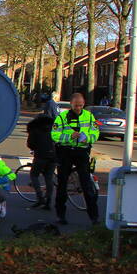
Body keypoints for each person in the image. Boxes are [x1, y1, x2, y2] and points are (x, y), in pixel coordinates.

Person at [51, 92, 100, 225]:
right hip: (65, 152)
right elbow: (55, 135)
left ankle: (94, 217)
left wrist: (87, 138)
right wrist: (69, 137)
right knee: (62, 185)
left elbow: (95, 133)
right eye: (76, 105)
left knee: (86, 185)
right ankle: (60, 215)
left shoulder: (89, 116)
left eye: (81, 105)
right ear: (71, 104)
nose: (79, 108)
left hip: (82, 152)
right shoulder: (62, 117)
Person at [26, 112, 56, 209]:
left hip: (40, 156)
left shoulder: (34, 129)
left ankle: (40, 198)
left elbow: (30, 144)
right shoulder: (53, 129)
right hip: (53, 156)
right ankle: (48, 201)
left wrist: (36, 148)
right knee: (49, 178)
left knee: (34, 175)